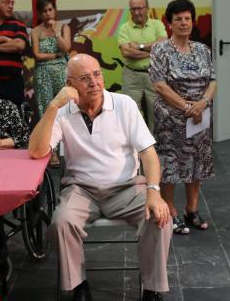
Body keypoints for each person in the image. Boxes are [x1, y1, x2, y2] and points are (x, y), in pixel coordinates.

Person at [28, 54, 171, 301]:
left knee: (160, 218)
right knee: (61, 222)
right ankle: (78, 285)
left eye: (97, 74)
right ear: (70, 84)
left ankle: (152, 288)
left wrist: (154, 191)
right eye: (85, 78)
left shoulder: (124, 104)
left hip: (126, 188)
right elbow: (37, 151)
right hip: (82, 190)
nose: (94, 82)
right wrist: (53, 106)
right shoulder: (63, 111)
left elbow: (148, 152)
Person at [149, 0, 216, 235]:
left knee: (196, 161)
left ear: (193, 21)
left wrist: (203, 103)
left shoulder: (203, 50)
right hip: (171, 118)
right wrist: (188, 107)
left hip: (200, 117)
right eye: (178, 19)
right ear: (170, 23)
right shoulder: (160, 50)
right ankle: (171, 210)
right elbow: (159, 85)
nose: (183, 23)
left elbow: (213, 81)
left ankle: (192, 209)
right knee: (170, 164)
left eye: (187, 18)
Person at [118, 0, 168, 132]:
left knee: (156, 112)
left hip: (154, 75)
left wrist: (139, 46)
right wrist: (152, 52)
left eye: (140, 8)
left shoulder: (157, 25)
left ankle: (154, 147)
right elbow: (127, 53)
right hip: (131, 75)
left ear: (147, 9)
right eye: (133, 9)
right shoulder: (124, 28)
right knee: (130, 112)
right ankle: (137, 147)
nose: (136, 12)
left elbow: (163, 45)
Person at [31, 0, 71, 117]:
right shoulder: (35, 31)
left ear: (55, 10)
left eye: (50, 9)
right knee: (45, 109)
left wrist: (56, 33)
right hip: (43, 74)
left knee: (66, 106)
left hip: (61, 72)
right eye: (44, 11)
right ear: (39, 14)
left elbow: (66, 49)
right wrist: (56, 55)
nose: (48, 13)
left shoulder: (64, 27)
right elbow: (37, 55)